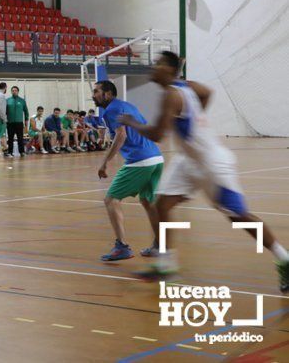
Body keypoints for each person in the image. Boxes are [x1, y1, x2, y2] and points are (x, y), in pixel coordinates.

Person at [122, 51, 289, 292]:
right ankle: (166, 267)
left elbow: (158, 134)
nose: (153, 66)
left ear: (169, 69)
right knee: (162, 205)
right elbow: (207, 93)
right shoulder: (187, 86)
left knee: (238, 216)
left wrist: (132, 122)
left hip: (212, 162)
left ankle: (284, 259)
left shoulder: (171, 94)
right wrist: (197, 117)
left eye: (158, 63)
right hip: (190, 160)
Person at [93, 80, 163, 262]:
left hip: (139, 160)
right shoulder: (128, 106)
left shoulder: (111, 110)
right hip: (156, 158)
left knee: (111, 199)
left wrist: (104, 162)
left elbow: (121, 135)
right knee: (148, 201)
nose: (93, 95)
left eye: (96, 91)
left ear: (107, 94)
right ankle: (160, 245)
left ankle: (122, 247)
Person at [5, 85, 29, 158]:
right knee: (10, 138)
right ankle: (10, 152)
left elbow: (26, 111)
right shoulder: (7, 100)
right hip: (10, 123)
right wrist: (4, 121)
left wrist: (26, 121)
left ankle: (22, 152)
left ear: (18, 91)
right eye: (13, 90)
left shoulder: (22, 101)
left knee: (20, 138)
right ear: (11, 91)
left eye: (15, 90)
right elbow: (4, 112)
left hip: (19, 123)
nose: (14, 91)